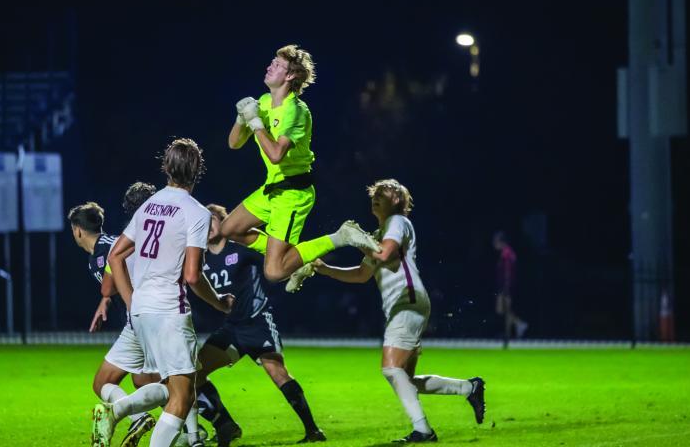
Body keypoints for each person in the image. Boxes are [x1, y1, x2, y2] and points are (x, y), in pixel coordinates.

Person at [312, 179, 485, 443]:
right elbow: (361, 274)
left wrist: (354, 240)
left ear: (399, 201)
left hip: (407, 302)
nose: (377, 196)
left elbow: (384, 257)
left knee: (391, 370)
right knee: (406, 379)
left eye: (384, 192)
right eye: (374, 194)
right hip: (406, 305)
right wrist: (326, 270)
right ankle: (469, 387)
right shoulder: (379, 235)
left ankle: (424, 431)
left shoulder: (397, 222)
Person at [91, 138, 235, 447]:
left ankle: (119, 411)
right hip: (169, 311)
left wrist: (132, 302)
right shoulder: (195, 212)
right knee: (181, 398)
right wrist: (220, 303)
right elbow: (193, 275)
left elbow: (115, 255)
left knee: (173, 387)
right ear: (197, 170)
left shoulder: (148, 206)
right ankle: (130, 417)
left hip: (142, 312)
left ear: (166, 168)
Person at [220, 44, 381, 285]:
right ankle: (296, 258)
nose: (269, 66)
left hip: (293, 193)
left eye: (277, 65)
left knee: (273, 273)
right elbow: (233, 143)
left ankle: (341, 236)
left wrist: (255, 122)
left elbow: (276, 155)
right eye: (272, 62)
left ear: (290, 75)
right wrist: (241, 117)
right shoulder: (263, 101)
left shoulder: (296, 111)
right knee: (228, 229)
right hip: (272, 188)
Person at [195, 203, 326, 446]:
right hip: (231, 327)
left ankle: (312, 430)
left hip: (257, 321)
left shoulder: (242, 249)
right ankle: (226, 425)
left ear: (223, 222)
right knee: (194, 374)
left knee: (277, 372)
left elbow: (278, 259)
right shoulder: (200, 259)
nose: (208, 224)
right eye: (204, 220)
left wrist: (302, 263)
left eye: (213, 219)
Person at [68, 183, 159, 447]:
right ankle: (190, 424)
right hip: (141, 321)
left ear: (77, 230)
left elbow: (125, 272)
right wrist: (105, 300)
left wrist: (107, 293)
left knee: (111, 382)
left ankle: (147, 418)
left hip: (143, 320)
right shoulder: (99, 251)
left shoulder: (108, 248)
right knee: (145, 381)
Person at [493, 231, 528, 339]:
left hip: (506, 287)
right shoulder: (507, 253)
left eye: (495, 242)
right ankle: (513, 329)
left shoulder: (507, 254)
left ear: (501, 241)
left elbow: (508, 271)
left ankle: (518, 325)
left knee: (504, 309)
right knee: (506, 310)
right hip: (506, 286)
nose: (494, 244)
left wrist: (506, 287)